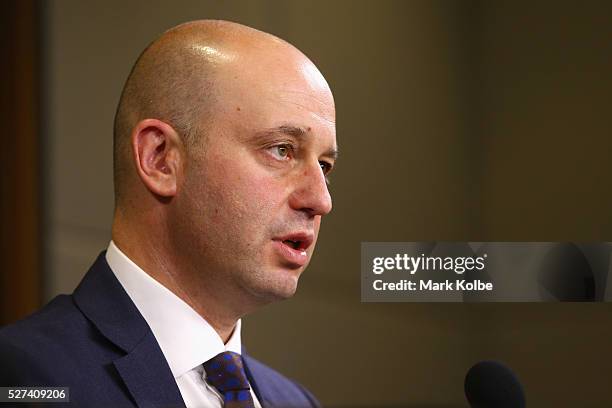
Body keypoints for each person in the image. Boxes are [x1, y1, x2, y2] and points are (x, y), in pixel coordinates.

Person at [0, 19, 337, 408]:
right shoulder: (27, 378)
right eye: (282, 149)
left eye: (325, 166)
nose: (320, 199)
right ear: (160, 159)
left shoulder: (296, 402)